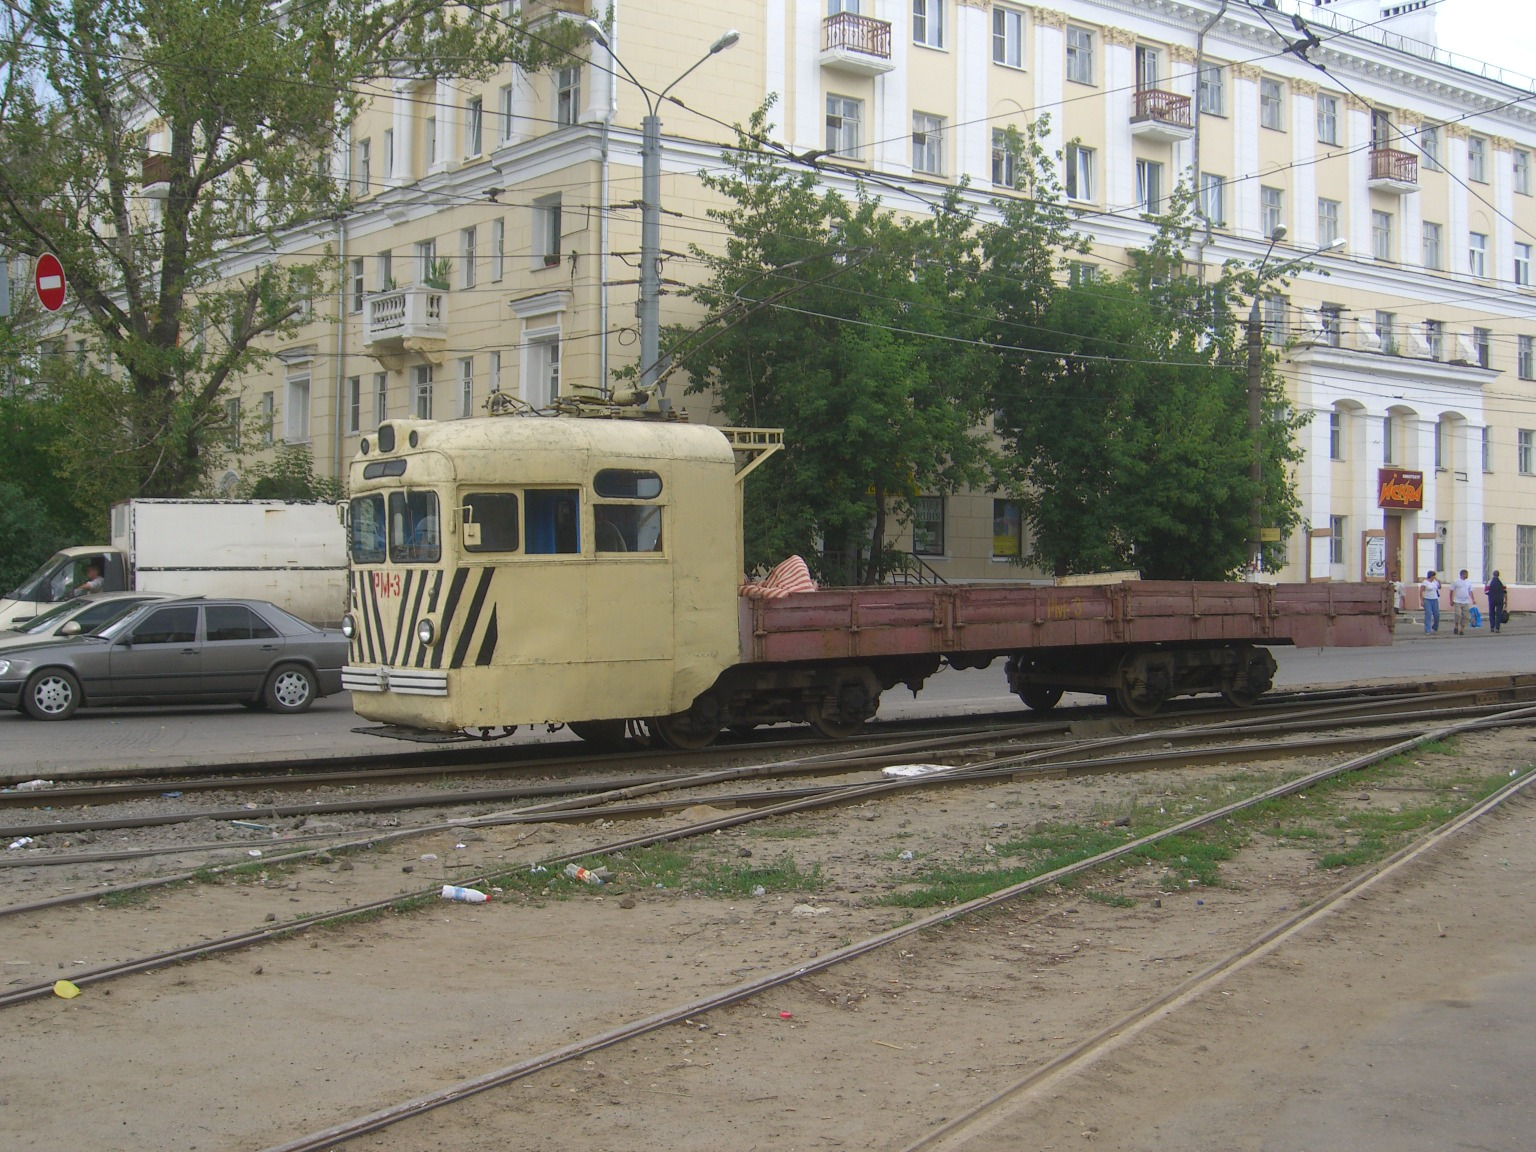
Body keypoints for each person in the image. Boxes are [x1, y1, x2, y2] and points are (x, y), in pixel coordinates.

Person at [1449, 568, 1475, 635]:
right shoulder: (1456, 581)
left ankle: (1462, 630)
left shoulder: (1468, 582)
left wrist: (1473, 599)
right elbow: (1451, 591)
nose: (1467, 575)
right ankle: (1456, 626)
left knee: (1465, 616)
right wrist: (1451, 600)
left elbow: (1470, 591)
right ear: (1462, 574)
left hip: (1466, 601)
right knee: (1458, 614)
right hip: (1457, 601)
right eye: (1466, 574)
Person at [1486, 570, 1508, 634]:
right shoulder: (1502, 582)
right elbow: (1505, 592)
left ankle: (1492, 627)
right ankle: (1497, 628)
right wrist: (1506, 600)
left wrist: (1491, 594)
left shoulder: (1489, 582)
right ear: (1498, 575)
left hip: (1491, 599)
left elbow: (1486, 591)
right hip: (1500, 599)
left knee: (1491, 613)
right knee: (1499, 614)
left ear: (1493, 574)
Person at [1420, 569, 1441, 635]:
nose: (1434, 577)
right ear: (1431, 576)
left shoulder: (1435, 582)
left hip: (1435, 599)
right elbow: (1421, 591)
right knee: (1428, 614)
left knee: (1437, 615)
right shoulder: (1425, 582)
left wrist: (1439, 582)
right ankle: (1427, 630)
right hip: (1427, 599)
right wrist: (1422, 600)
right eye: (1433, 576)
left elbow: (1439, 587)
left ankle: (1435, 627)